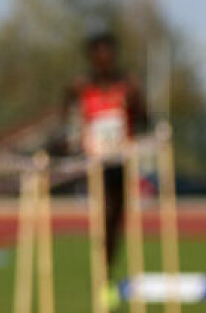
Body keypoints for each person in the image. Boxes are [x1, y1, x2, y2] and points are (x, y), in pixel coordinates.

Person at [63, 29, 149, 293]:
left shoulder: (127, 84)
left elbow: (146, 119)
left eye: (108, 55)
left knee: (115, 218)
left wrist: (137, 101)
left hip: (120, 159)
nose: (104, 60)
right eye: (98, 56)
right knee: (104, 215)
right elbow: (64, 115)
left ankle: (107, 270)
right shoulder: (81, 85)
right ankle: (104, 273)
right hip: (94, 161)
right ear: (92, 58)